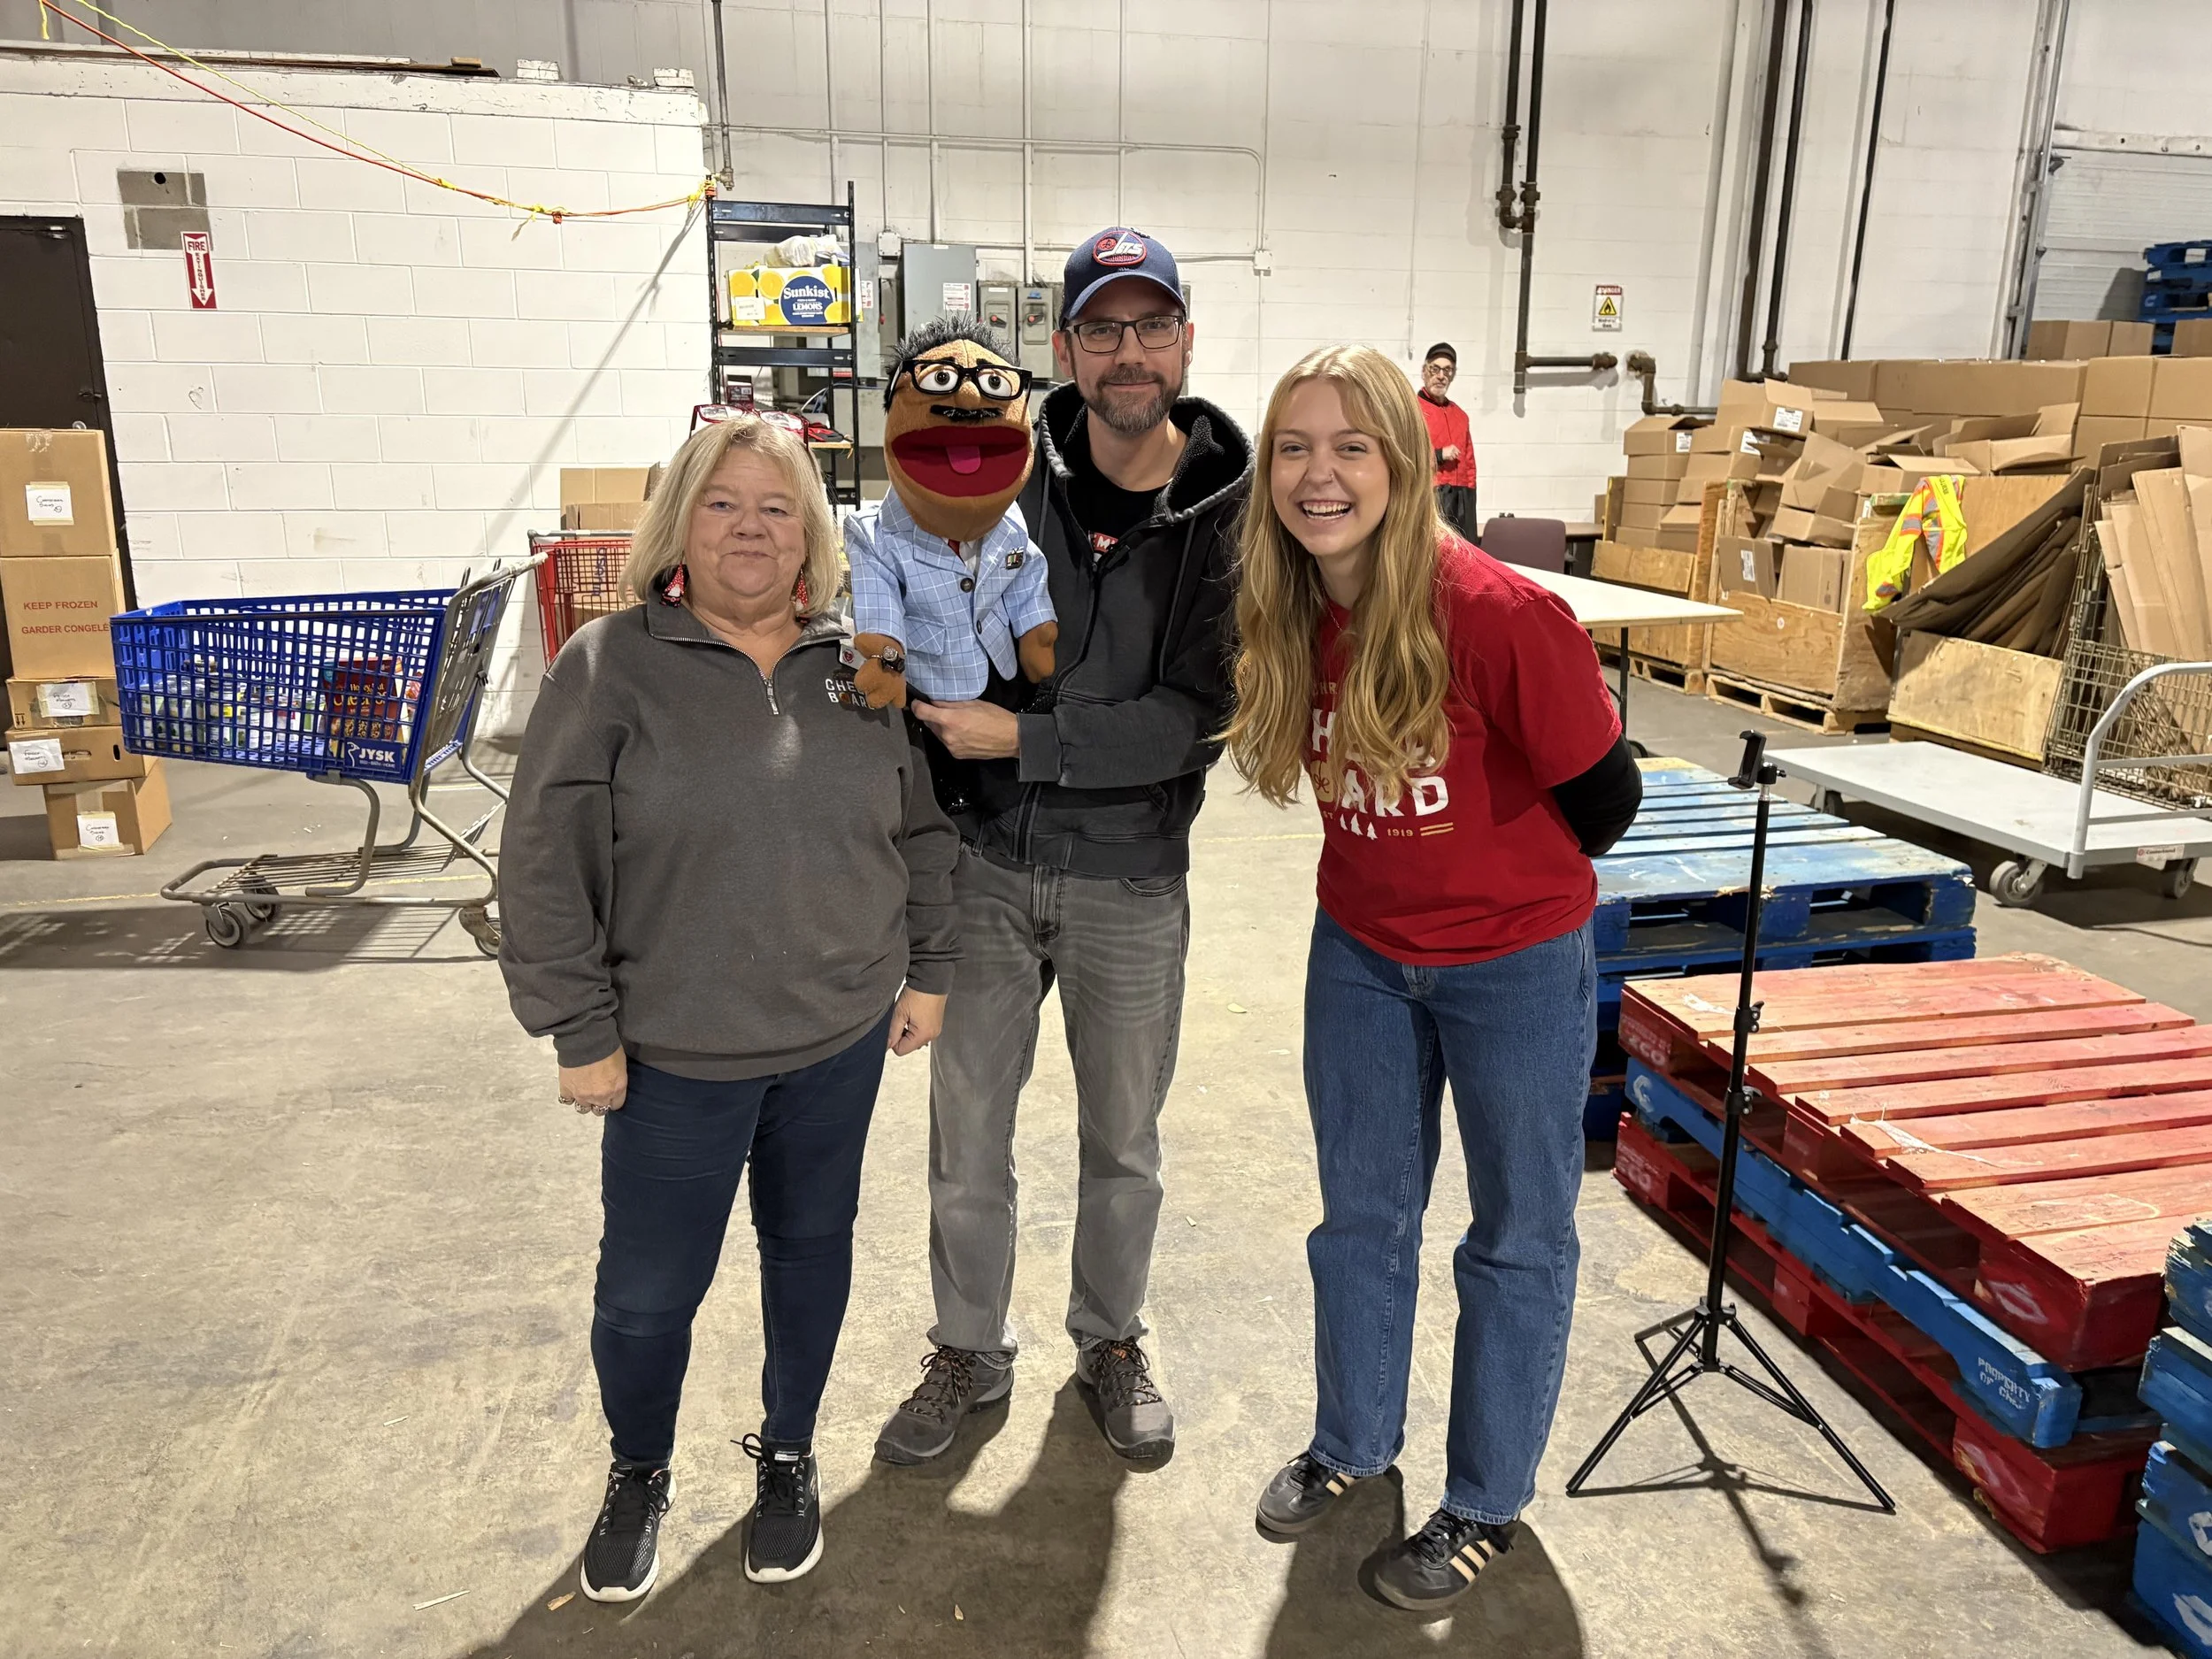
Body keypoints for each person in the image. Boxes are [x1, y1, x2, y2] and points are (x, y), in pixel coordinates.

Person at [497, 415, 960, 1598]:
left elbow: (917, 826)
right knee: (648, 1292)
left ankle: (790, 1452)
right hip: (670, 1055)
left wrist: (929, 965)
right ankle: (638, 1467)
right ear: (680, 526)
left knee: (810, 1257)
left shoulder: (865, 663)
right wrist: (579, 1028)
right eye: (722, 504)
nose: (750, 528)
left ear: (809, 529)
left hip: (838, 1037)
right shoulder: (607, 665)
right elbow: (544, 860)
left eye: (774, 506)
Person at [1220, 344, 1640, 1610]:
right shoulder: (1290, 606)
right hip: (1357, 951)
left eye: (1352, 445)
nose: (1319, 472)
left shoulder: (1500, 613)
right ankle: (1355, 1440)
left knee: (1515, 1236)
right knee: (1361, 1218)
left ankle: (1486, 1499)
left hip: (1511, 966)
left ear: (1405, 463)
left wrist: (1487, 883)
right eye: (1295, 446)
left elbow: (1606, 799)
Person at [874, 227, 1252, 1467]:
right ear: (1064, 347)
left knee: (1123, 1140)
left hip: (1131, 873)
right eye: (1102, 327)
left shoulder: (1228, 516)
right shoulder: (995, 473)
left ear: (1186, 343)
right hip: (983, 868)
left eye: (1151, 326)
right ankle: (969, 1346)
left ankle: (1112, 1337)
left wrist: (1022, 740)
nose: (1127, 351)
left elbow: (1190, 719)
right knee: (966, 1134)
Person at [1417, 342, 1478, 538]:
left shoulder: (1461, 416)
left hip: (1460, 500)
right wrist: (1439, 454)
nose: (1441, 376)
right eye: (1435, 369)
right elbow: (1404, 456)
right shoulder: (1412, 411)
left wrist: (1469, 505)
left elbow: (1470, 467)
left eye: (1447, 370)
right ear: (1424, 371)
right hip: (1427, 495)